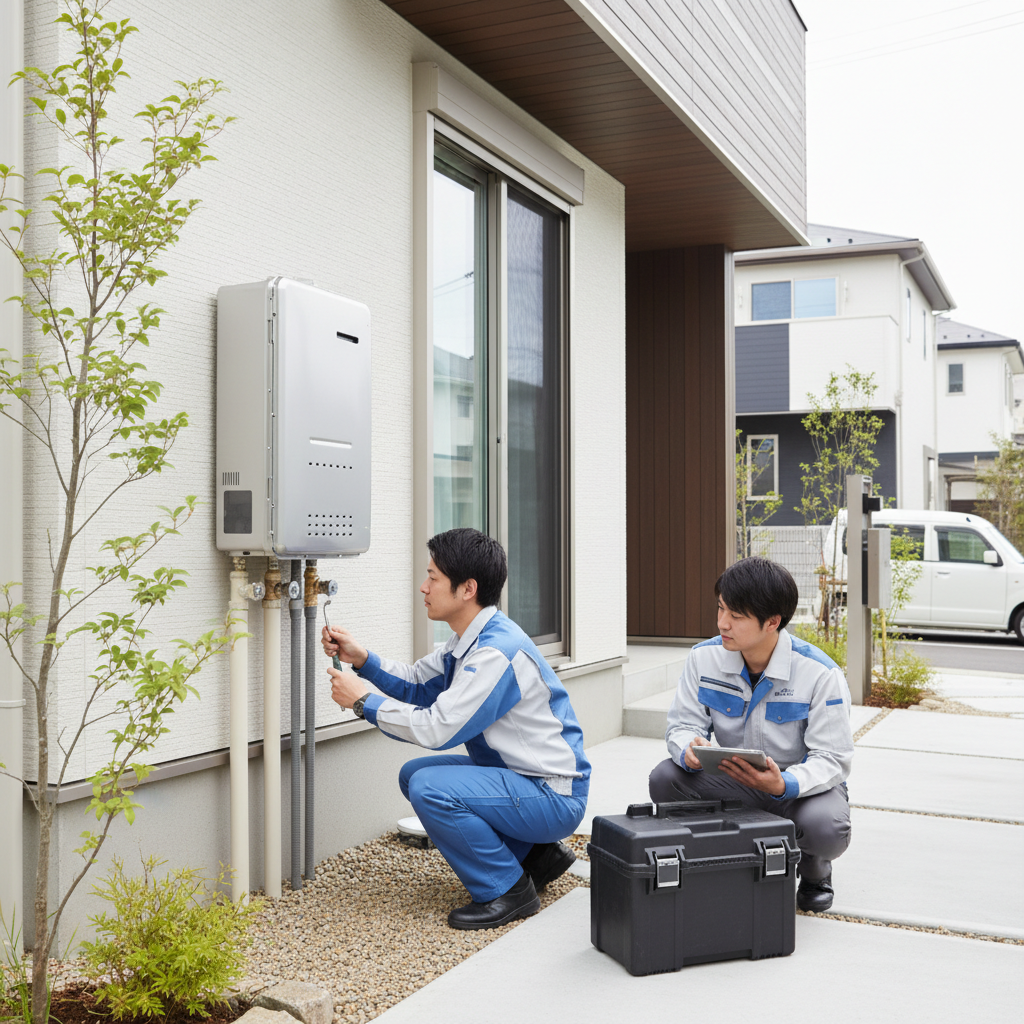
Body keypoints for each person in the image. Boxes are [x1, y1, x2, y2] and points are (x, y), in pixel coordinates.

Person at [322, 527, 590, 930]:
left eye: (433, 578)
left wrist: (363, 701)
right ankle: (536, 855)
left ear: (467, 589)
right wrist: (363, 660)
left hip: (551, 794)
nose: (423, 587)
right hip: (524, 780)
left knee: (431, 788)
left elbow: (438, 729)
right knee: (414, 776)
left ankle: (507, 891)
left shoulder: (495, 653)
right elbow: (416, 683)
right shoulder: (468, 640)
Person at [648, 557, 853, 912]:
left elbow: (832, 758)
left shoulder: (819, 674)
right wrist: (689, 748)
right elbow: (682, 724)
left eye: (736, 616)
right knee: (666, 778)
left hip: (797, 791)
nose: (722, 623)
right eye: (721, 608)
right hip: (732, 782)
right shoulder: (704, 659)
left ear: (772, 622)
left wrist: (784, 784)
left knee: (826, 826)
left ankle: (815, 869)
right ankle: (724, 858)